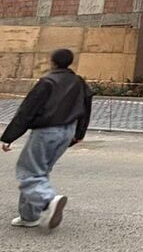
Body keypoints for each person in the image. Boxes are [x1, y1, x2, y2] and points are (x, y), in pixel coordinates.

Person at [2, 48, 93, 230]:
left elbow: (27, 110)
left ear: (53, 62)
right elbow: (86, 107)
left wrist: (10, 136)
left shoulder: (47, 82)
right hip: (67, 131)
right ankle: (29, 216)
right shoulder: (79, 82)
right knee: (40, 171)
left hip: (46, 131)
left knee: (28, 172)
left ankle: (48, 200)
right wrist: (79, 134)